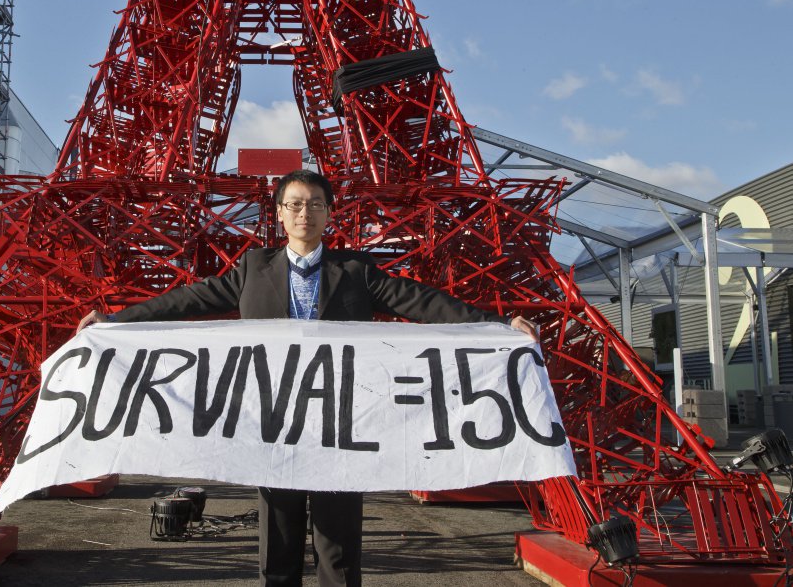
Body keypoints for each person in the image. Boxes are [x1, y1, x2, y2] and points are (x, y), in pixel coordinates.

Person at [77, 169, 538, 587]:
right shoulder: (253, 269)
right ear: (279, 214)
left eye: (316, 203)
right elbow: (187, 301)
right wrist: (117, 322)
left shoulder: (355, 271)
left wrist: (493, 327)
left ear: (329, 214)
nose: (305, 212)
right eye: (295, 203)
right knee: (278, 548)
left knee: (338, 552)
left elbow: (419, 301)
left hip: (340, 430)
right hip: (274, 428)